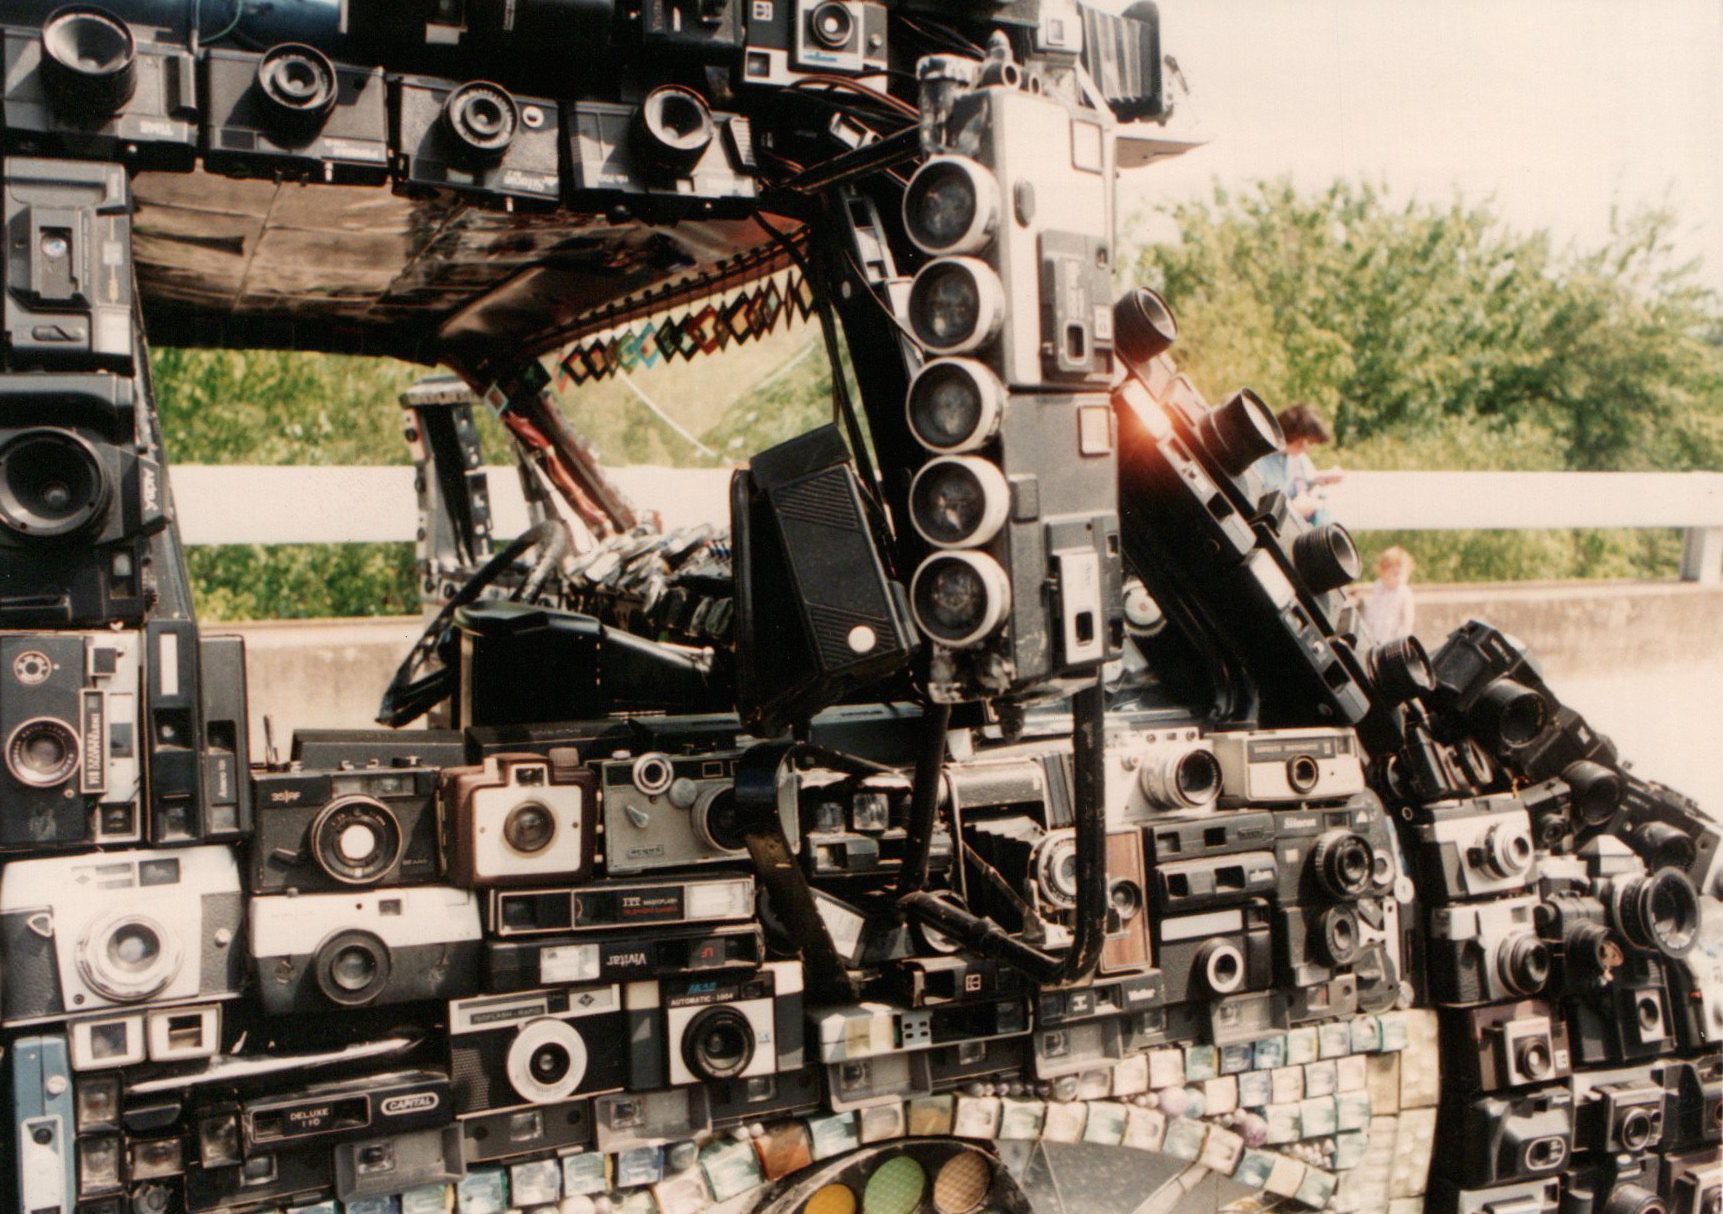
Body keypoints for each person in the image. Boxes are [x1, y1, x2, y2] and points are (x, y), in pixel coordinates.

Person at [1261, 403, 1344, 524]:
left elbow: (1304, 481)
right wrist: (1292, 510)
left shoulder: (1296, 459)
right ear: (1297, 437)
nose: (1308, 449)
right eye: (1309, 442)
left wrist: (1321, 479)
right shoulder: (1260, 457)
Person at [1364, 545, 1417, 643]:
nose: (1399, 578)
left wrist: (1403, 640)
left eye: (1403, 574)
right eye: (1395, 574)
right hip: (1377, 634)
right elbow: (1371, 612)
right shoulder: (1379, 587)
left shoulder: (1404, 593)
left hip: (1394, 639)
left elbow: (1407, 621)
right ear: (1383, 572)